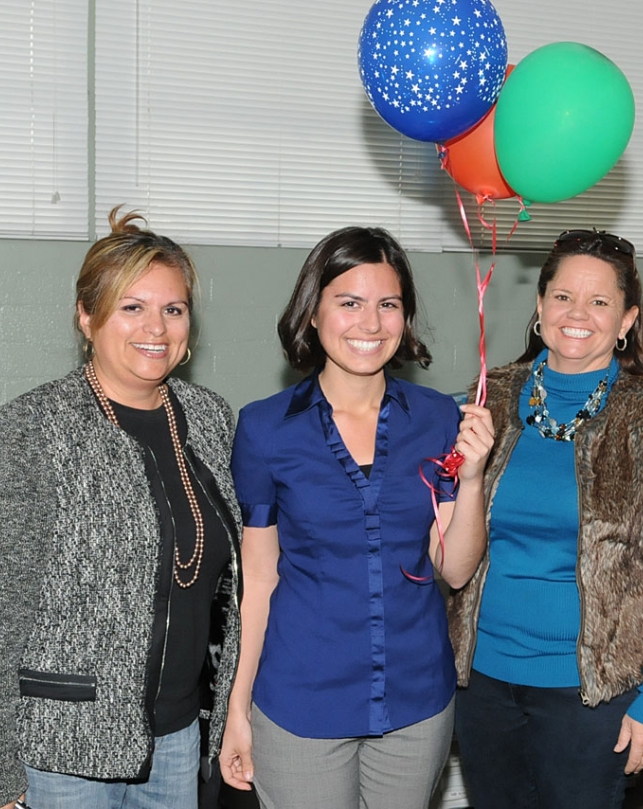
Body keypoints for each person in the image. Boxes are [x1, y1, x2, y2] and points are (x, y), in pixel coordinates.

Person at [0, 208, 242, 809]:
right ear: (87, 316)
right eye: (131, 307)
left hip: (179, 737)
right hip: (62, 751)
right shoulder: (33, 428)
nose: (155, 328)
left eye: (173, 308)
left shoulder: (212, 419)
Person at [218, 226, 494, 809]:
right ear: (312, 314)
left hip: (415, 697)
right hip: (301, 699)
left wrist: (471, 481)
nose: (370, 323)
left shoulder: (438, 417)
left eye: (387, 304)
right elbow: (258, 583)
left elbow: (457, 568)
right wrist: (236, 708)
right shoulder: (266, 428)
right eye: (349, 303)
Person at [447, 229, 643, 809]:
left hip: (590, 689)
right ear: (540, 306)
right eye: (562, 296)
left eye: (600, 302)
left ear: (627, 319)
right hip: (482, 679)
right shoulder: (489, 399)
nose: (577, 314)